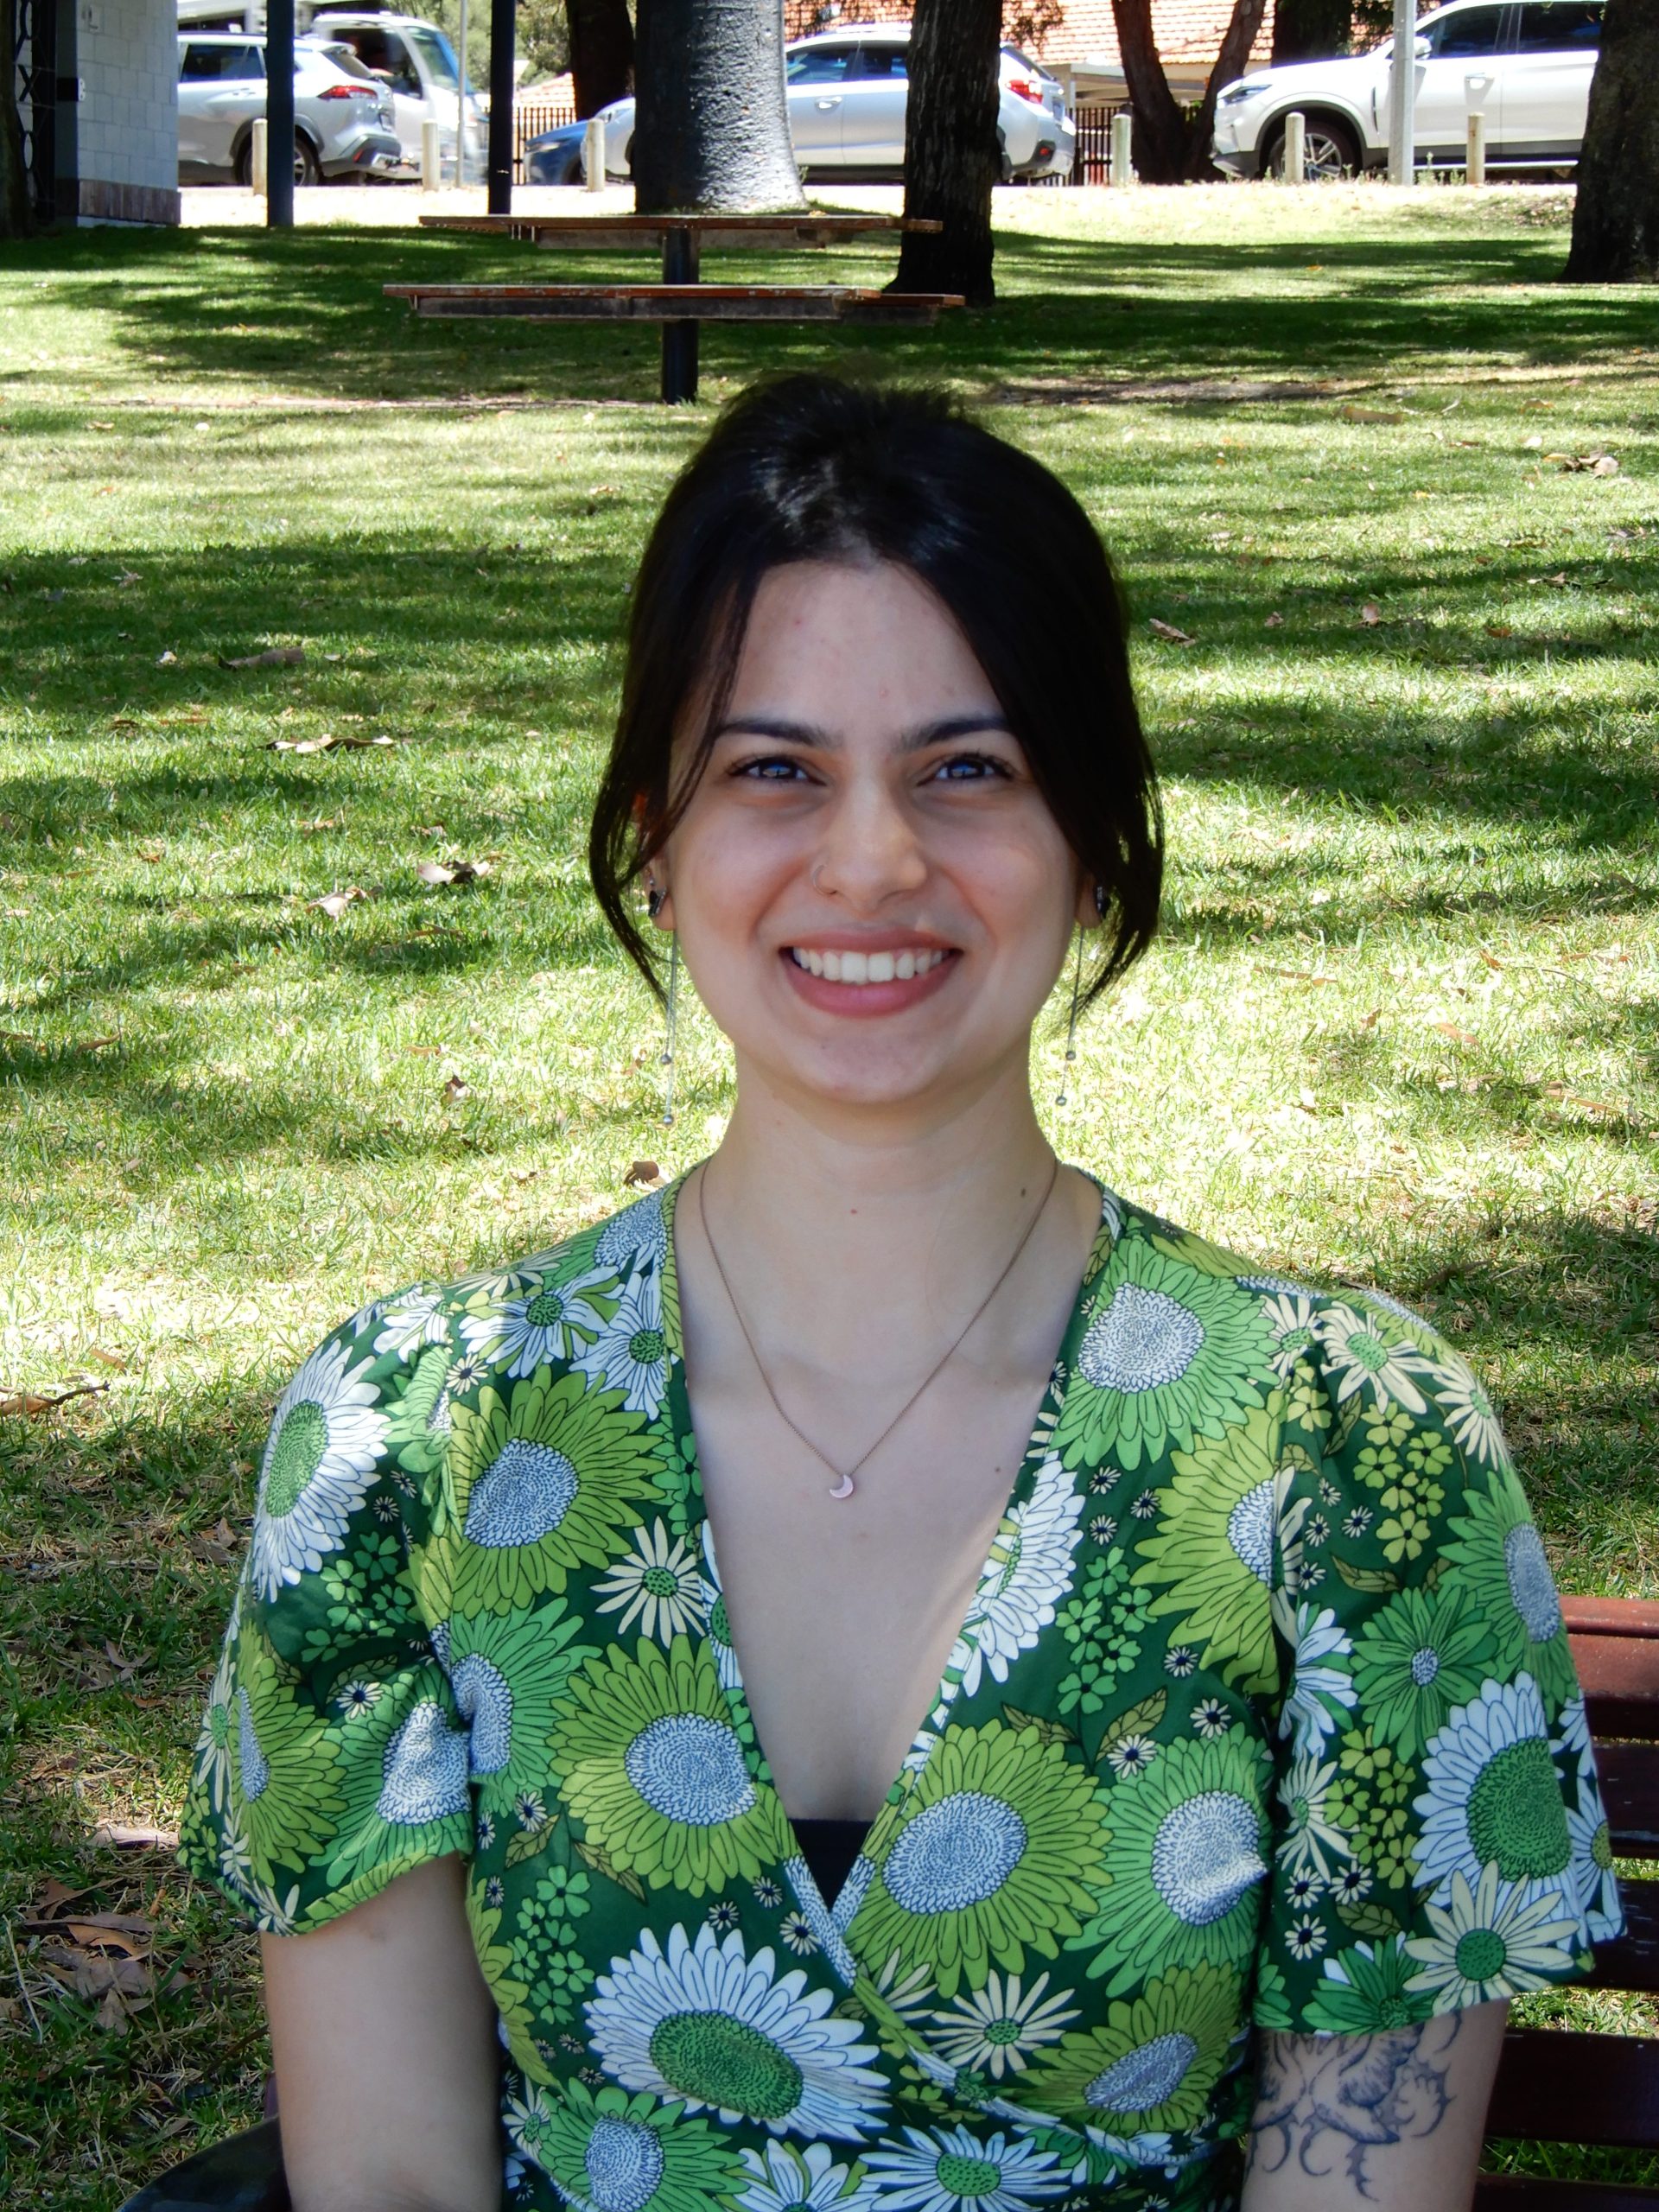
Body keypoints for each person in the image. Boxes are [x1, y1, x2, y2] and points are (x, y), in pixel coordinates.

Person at [180, 376, 1622, 2212]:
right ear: (656, 837)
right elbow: (387, 2175)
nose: (871, 861)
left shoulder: (1350, 1446)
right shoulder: (409, 1437)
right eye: (774, 770)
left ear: (1092, 843)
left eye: (969, 769)